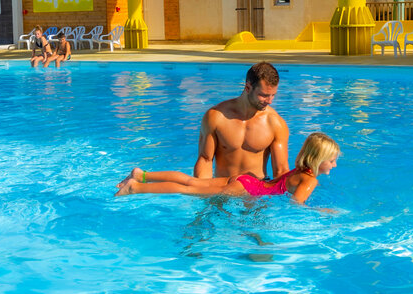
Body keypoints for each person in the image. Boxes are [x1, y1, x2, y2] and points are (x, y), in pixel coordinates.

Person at [115, 132, 340, 203]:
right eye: (332, 160)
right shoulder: (310, 180)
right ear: (319, 160)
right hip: (248, 190)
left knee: (193, 182)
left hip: (246, 180)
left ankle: (142, 174)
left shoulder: (299, 171)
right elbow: (295, 206)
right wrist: (323, 213)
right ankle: (135, 188)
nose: (334, 164)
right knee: (190, 190)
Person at [193, 62, 290, 183]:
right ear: (248, 87)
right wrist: (203, 191)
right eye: (264, 95)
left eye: (273, 95)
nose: (270, 101)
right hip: (222, 187)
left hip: (256, 193)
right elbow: (205, 159)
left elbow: (281, 171)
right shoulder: (216, 116)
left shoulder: (275, 123)